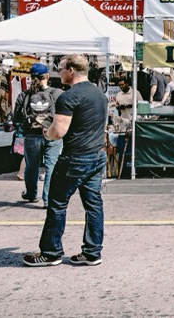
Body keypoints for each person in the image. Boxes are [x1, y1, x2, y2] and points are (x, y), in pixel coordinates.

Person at [23, 54, 108, 268]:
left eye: (59, 68)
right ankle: (92, 252)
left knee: (57, 202)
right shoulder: (99, 93)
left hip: (76, 157)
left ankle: (51, 252)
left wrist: (47, 133)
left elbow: (59, 131)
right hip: (97, 154)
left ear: (71, 70)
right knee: (93, 204)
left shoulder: (68, 96)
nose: (57, 72)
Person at [12, 63, 62, 205]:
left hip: (31, 135)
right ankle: (48, 199)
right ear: (47, 76)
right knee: (51, 167)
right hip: (53, 134)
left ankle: (31, 193)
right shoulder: (57, 93)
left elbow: (16, 117)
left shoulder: (24, 95)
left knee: (31, 166)